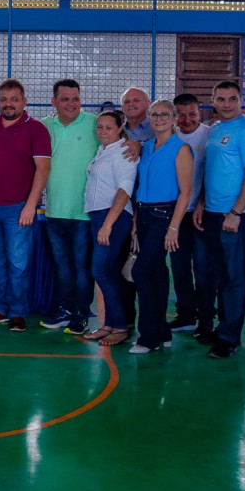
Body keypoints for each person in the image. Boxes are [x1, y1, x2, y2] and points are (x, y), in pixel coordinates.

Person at [192, 80, 245, 359]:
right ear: (213, 100)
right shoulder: (215, 129)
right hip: (211, 213)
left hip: (237, 217)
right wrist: (200, 204)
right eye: (221, 99)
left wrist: (236, 212)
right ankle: (221, 328)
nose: (227, 104)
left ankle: (229, 338)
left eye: (232, 99)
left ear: (241, 100)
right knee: (216, 275)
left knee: (235, 278)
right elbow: (211, 171)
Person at [0, 79, 49, 331]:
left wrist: (31, 206)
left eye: (14, 99)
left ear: (24, 101)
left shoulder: (37, 129)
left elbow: (43, 169)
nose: (9, 104)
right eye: (4, 99)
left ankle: (18, 311)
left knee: (18, 263)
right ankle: (0, 308)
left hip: (18, 208)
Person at [128, 99, 193, 354]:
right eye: (154, 115)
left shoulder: (181, 149)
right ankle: (162, 332)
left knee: (142, 272)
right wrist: (135, 221)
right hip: (143, 214)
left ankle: (148, 337)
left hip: (163, 215)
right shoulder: (146, 148)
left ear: (174, 118)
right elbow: (139, 187)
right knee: (155, 273)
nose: (159, 119)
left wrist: (174, 227)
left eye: (165, 114)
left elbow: (186, 192)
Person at [38, 79, 99, 334]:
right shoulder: (43, 127)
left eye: (75, 98)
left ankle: (81, 313)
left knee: (82, 267)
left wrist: (134, 142)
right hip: (54, 212)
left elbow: (120, 141)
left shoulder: (94, 124)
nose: (71, 103)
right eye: (65, 99)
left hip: (85, 213)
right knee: (62, 266)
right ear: (54, 102)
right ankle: (65, 309)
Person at [82, 110, 138, 346]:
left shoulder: (124, 153)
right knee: (108, 271)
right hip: (99, 216)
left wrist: (108, 224)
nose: (103, 131)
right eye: (99, 127)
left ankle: (121, 327)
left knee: (102, 271)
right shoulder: (103, 150)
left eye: (108, 127)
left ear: (119, 128)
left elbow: (124, 190)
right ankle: (109, 324)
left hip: (112, 217)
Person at [167, 93, 211, 340]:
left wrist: (202, 202)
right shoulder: (168, 136)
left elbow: (213, 173)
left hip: (201, 212)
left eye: (192, 114)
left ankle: (206, 320)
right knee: (180, 267)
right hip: (176, 214)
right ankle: (185, 315)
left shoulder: (209, 135)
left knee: (204, 268)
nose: (187, 120)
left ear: (200, 113)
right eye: (181, 115)